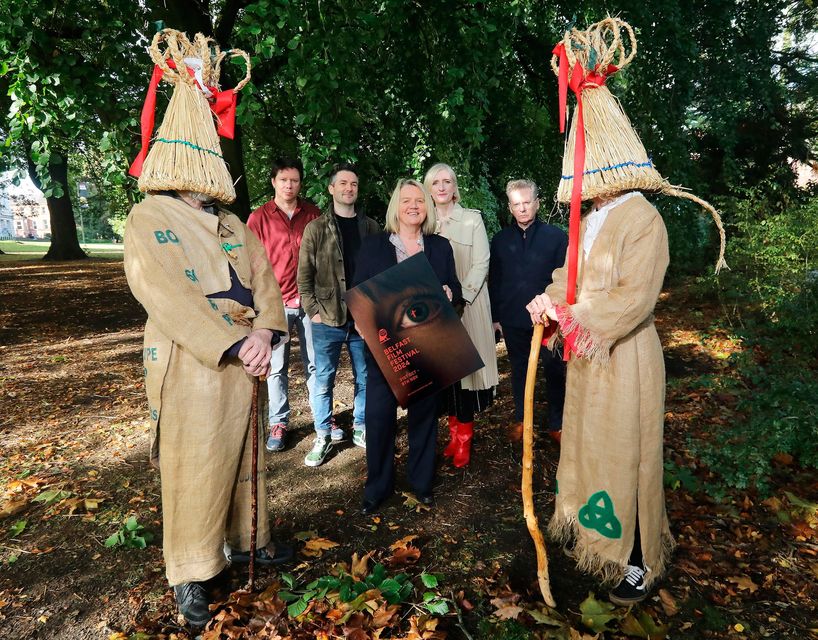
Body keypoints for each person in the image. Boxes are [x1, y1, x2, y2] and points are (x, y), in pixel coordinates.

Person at [526, 17, 725, 606]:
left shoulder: (643, 218)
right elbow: (571, 277)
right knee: (590, 449)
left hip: (628, 356)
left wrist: (571, 314)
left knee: (630, 454)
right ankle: (597, 540)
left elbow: (633, 298)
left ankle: (639, 560)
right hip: (591, 360)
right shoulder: (588, 220)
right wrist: (549, 298)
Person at [124, 30, 293, 628]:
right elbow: (163, 292)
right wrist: (232, 341)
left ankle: (251, 539)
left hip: (249, 353)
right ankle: (193, 571)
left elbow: (267, 283)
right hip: (196, 360)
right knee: (196, 461)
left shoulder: (232, 221)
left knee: (247, 457)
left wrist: (267, 335)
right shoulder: (148, 217)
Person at [352, 179, 462, 515]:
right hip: (384, 347)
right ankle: (378, 487)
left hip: (428, 346)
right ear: (395, 208)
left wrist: (449, 293)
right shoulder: (373, 246)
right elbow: (358, 294)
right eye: (406, 201)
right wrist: (361, 322)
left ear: (427, 207)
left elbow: (455, 288)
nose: (413, 206)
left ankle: (422, 482)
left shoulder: (440, 247)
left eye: (419, 200)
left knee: (425, 416)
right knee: (379, 416)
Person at [297, 163, 380, 466]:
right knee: (323, 380)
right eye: (343, 183)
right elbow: (304, 277)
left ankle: (360, 426)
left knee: (366, 376)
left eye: (354, 184)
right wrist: (313, 312)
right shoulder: (316, 228)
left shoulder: (370, 227)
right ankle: (323, 435)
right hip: (326, 319)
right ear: (331, 189)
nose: (349, 188)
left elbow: (380, 272)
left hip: (363, 318)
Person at [424, 163, 498, 467]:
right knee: (446, 376)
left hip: (468, 304)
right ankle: (452, 435)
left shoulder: (471, 220)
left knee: (465, 375)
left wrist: (460, 297)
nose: (442, 187)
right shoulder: (423, 223)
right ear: (428, 188)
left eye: (448, 182)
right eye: (436, 182)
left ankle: (464, 440)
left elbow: (482, 263)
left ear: (455, 187)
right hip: (434, 312)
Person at [247, 157, 320, 452]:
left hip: (310, 302)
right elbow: (250, 264)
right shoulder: (259, 218)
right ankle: (278, 422)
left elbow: (324, 258)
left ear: (300, 183)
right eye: (284, 180)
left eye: (294, 180)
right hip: (275, 305)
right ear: (274, 182)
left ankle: (322, 420)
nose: (289, 185)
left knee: (317, 365)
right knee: (276, 367)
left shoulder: (313, 214)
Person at [488, 179, 567, 444]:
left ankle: (558, 423)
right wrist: (495, 318)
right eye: (516, 204)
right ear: (510, 207)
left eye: (526, 202)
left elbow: (565, 281)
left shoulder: (556, 237)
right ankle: (523, 421)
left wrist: (561, 312)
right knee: (519, 371)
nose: (522, 209)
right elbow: (495, 280)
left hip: (549, 318)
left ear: (537, 203)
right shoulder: (500, 241)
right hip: (513, 317)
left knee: (554, 370)